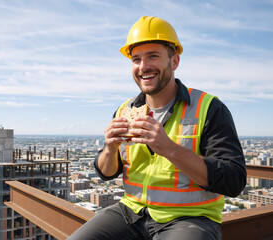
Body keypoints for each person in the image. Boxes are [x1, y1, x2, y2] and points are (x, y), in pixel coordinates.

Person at [68, 16, 246, 240]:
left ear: (174, 62)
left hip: (190, 218)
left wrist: (169, 149)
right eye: (136, 59)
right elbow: (105, 172)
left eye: (153, 56)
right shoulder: (125, 110)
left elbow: (234, 180)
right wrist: (110, 149)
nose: (143, 67)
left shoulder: (209, 109)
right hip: (130, 212)